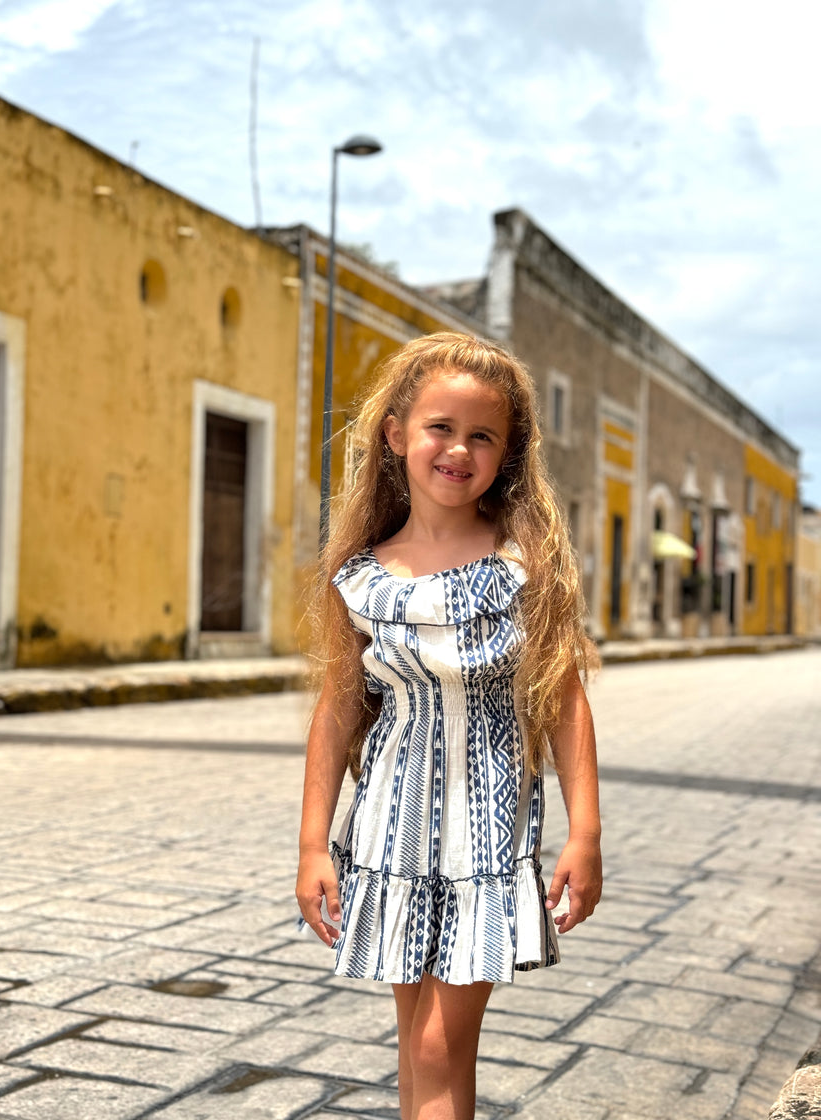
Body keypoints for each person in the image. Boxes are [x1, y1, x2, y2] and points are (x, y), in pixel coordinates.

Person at [296, 332, 602, 1120]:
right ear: (395, 435)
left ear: (507, 453)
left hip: (485, 837)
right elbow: (336, 711)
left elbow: (564, 700)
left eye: (482, 434)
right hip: (388, 834)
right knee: (415, 1045)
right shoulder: (360, 576)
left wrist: (585, 834)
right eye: (441, 426)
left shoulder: (520, 566)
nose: (458, 448)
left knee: (437, 1047)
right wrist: (310, 847)